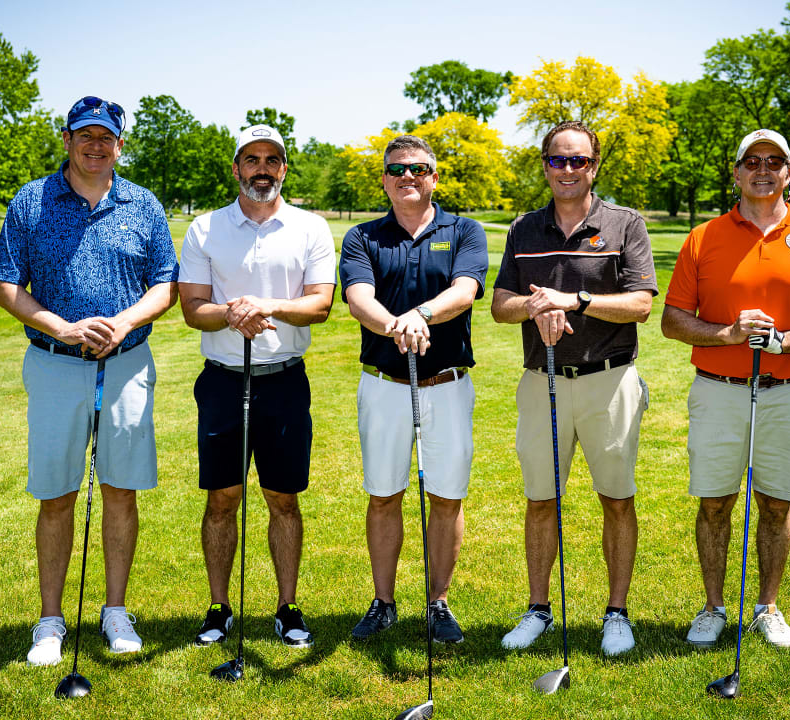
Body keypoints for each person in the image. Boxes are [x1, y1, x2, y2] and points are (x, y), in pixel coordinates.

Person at [0, 96, 179, 666]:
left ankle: (116, 611)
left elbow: (165, 283)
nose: (96, 145)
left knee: (120, 489)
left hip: (125, 366)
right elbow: (5, 284)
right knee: (56, 493)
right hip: (54, 363)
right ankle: (50, 621)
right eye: (84, 135)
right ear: (67, 140)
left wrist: (121, 323)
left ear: (121, 144)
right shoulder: (31, 201)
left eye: (107, 137)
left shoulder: (142, 205)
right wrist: (64, 328)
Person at [661, 128, 790, 650]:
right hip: (718, 390)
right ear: (737, 172)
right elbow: (673, 321)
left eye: (774, 161)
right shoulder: (703, 237)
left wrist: (785, 342)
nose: (763, 170)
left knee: (776, 504)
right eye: (752, 161)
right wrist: (726, 334)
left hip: (787, 390)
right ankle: (713, 607)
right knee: (715, 503)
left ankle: (767, 606)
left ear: (789, 172)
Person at [491, 121, 657, 657]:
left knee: (616, 499)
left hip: (609, 381)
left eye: (578, 161)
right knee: (541, 500)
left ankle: (617, 613)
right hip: (542, 383)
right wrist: (536, 305)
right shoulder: (524, 229)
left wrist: (574, 300)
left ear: (595, 165)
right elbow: (500, 305)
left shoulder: (625, 224)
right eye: (558, 160)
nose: (567, 170)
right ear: (544, 165)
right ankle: (538, 609)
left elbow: (641, 304)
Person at [178, 124, 336, 649]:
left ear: (284, 168)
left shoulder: (310, 227)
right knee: (222, 499)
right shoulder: (205, 228)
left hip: (284, 382)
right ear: (236, 168)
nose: (262, 168)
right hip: (223, 383)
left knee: (282, 499)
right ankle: (219, 607)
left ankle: (287, 607)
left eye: (272, 159)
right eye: (252, 159)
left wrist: (262, 306)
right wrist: (232, 313)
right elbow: (193, 309)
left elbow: (320, 305)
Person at [338, 135, 488, 644]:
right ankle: (383, 603)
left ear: (434, 177)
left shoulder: (464, 230)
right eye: (397, 169)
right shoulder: (363, 237)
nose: (408, 177)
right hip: (384, 384)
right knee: (384, 494)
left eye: (419, 169)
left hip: (446, 383)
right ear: (384, 179)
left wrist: (419, 316)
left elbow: (465, 291)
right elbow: (359, 299)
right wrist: (398, 327)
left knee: (446, 496)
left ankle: (438, 603)